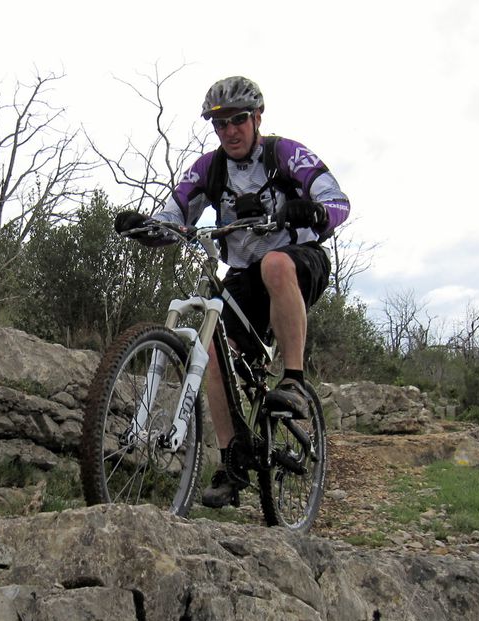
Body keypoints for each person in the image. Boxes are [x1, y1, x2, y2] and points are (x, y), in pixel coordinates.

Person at [114, 75, 350, 508]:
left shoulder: (286, 154)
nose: (230, 132)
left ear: (257, 117)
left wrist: (314, 210)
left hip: (297, 262)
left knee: (275, 263)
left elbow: (337, 201)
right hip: (243, 274)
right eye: (219, 125)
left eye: (238, 121)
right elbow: (176, 211)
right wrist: (150, 227)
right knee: (213, 348)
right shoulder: (210, 168)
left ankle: (294, 381)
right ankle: (232, 459)